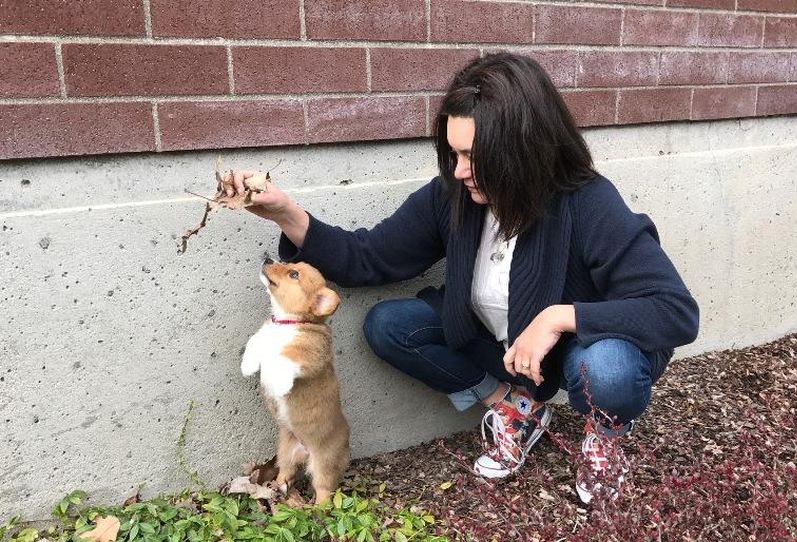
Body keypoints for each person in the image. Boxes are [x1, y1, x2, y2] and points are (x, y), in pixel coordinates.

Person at [222, 52, 699, 504]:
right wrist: (285, 213)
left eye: (472, 155)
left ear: (521, 150)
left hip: (570, 356)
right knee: (390, 325)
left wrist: (558, 317)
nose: (459, 170)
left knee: (609, 368)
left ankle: (606, 435)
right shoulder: (452, 195)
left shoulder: (587, 201)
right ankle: (516, 409)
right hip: (498, 346)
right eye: (452, 154)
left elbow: (674, 310)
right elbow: (371, 257)